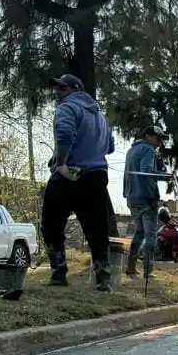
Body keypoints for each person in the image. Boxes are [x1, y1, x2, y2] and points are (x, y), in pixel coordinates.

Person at [41, 74, 115, 291]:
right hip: (96, 175)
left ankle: (58, 273)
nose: (58, 93)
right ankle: (103, 277)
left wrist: (61, 163)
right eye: (56, 89)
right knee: (97, 229)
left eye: (62, 88)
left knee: (51, 224)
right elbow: (110, 147)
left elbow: (64, 134)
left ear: (76, 88)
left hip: (70, 174)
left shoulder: (67, 108)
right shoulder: (100, 117)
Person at [122, 124, 166, 278]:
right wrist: (163, 174)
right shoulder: (148, 149)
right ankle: (148, 271)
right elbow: (146, 171)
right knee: (151, 235)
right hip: (147, 198)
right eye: (158, 138)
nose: (160, 142)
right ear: (147, 137)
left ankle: (131, 268)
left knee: (139, 233)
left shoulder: (131, 150)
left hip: (132, 197)